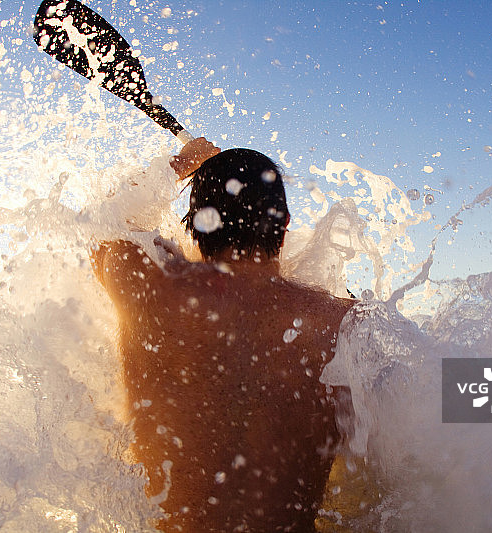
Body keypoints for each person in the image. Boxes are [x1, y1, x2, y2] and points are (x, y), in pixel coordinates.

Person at [91, 137, 354, 532]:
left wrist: (184, 161)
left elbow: (102, 224)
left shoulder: (150, 289)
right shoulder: (342, 323)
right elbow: (447, 405)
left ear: (194, 224)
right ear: (283, 225)